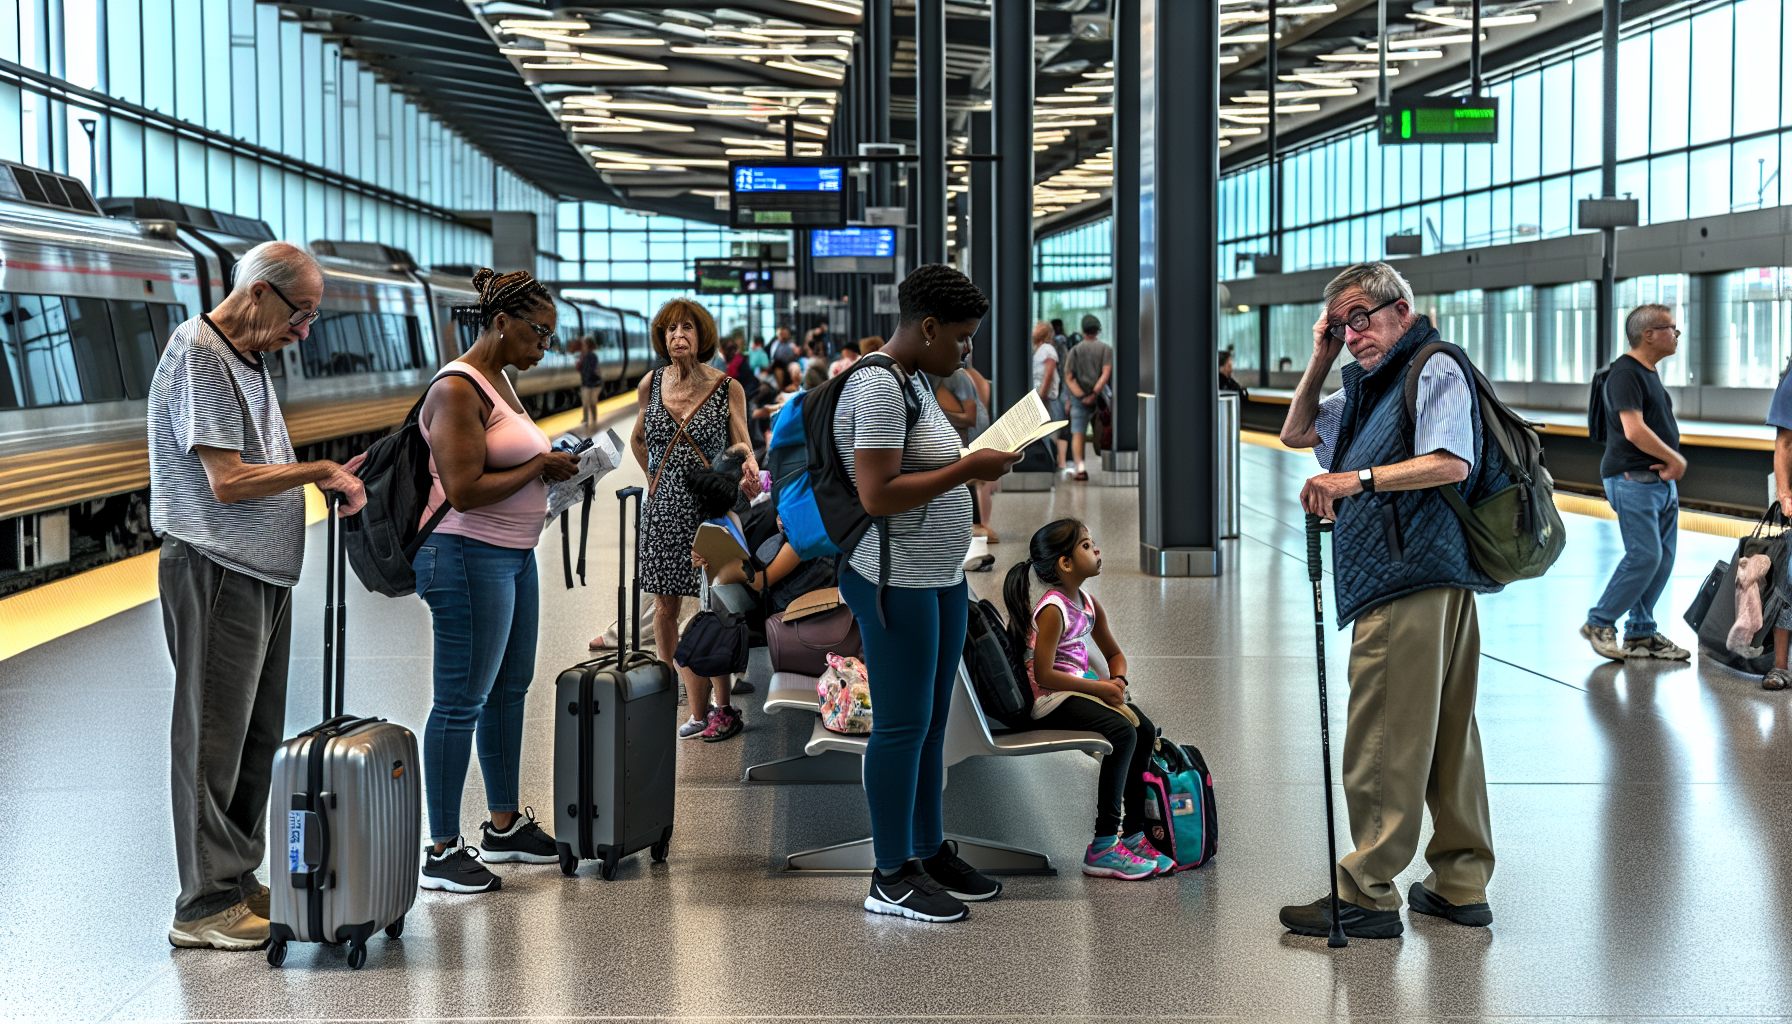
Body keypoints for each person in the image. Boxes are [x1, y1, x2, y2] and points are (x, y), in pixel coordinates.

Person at [150, 240, 369, 949]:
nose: (304, 332)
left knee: (254, 738)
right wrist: (317, 471)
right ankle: (203, 903)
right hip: (216, 572)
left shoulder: (248, 356)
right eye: (300, 314)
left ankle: (238, 879)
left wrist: (318, 475)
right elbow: (229, 480)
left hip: (261, 575)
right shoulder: (200, 353)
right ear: (258, 293)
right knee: (213, 737)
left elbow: (258, 465)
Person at [1277, 261, 1503, 940]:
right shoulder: (1370, 389)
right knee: (1446, 737)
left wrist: (1354, 482)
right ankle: (1461, 884)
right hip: (1430, 578)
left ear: (1401, 309)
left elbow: (1449, 462)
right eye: (1341, 326)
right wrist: (1318, 356)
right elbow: (1296, 431)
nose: (1353, 335)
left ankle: (1368, 893)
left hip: (1407, 583)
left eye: (1361, 318)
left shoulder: (1430, 368)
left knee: (1382, 737)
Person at [835, 263, 1019, 922]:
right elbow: (876, 493)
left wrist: (975, 456)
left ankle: (924, 849)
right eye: (963, 338)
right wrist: (971, 466)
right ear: (930, 327)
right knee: (902, 726)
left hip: (936, 578)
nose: (967, 351)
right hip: (894, 580)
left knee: (931, 725)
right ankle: (889, 874)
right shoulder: (880, 387)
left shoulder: (914, 383)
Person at [412, 268, 581, 894]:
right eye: (539, 333)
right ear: (502, 323)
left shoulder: (501, 383)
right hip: (464, 557)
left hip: (512, 555)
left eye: (550, 338)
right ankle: (440, 849)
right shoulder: (458, 389)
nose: (544, 348)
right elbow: (462, 489)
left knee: (510, 687)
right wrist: (540, 463)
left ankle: (504, 825)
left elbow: (511, 461)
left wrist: (556, 467)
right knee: (460, 701)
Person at [1003, 519, 1172, 879]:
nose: (1096, 550)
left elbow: (1114, 654)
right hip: (1048, 699)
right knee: (1122, 733)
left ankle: (1136, 833)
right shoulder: (1053, 609)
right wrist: (1099, 688)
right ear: (1064, 564)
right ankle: (1104, 844)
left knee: (1143, 729)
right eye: (1086, 545)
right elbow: (1045, 675)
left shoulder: (1088, 603)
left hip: (1076, 687)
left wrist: (1119, 680)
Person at [630, 298, 760, 739]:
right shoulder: (652, 383)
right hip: (664, 508)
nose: (676, 336)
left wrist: (750, 469)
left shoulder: (728, 387)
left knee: (715, 604)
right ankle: (669, 690)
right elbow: (638, 438)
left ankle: (720, 707)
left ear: (702, 336)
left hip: (709, 509)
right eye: (669, 329)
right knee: (665, 606)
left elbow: (741, 443)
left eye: (686, 328)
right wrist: (654, 479)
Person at [1580, 304, 1691, 662]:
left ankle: (1641, 633)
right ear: (1649, 334)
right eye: (1671, 328)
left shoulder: (1648, 372)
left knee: (1662, 559)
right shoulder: (1624, 374)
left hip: (1657, 483)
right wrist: (1675, 458)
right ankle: (1599, 621)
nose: (1676, 334)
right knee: (1645, 555)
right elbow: (1634, 429)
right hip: (1632, 479)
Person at [677, 454, 755, 742]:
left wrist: (704, 558)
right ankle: (719, 709)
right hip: (727, 608)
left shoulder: (710, 528)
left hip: (721, 610)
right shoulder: (731, 518)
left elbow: (724, 562)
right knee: (716, 663)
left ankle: (716, 713)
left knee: (688, 657)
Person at [934, 340, 997, 543]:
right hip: (973, 437)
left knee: (973, 483)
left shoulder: (958, 377)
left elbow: (971, 417)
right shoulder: (972, 376)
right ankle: (981, 526)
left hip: (970, 438)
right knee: (976, 483)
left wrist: (935, 413)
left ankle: (980, 527)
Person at [1062, 314, 1113, 481]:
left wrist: (1081, 396)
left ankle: (1081, 468)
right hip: (1100, 398)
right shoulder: (1106, 349)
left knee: (1078, 431)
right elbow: (1106, 373)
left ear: (1083, 330)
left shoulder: (1075, 350)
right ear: (1098, 330)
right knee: (1102, 428)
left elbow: (1068, 377)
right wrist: (1094, 393)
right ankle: (1106, 461)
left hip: (1079, 398)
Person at [1030, 321, 1069, 475]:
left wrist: (1042, 394)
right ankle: (1048, 466)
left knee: (1048, 434)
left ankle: (1050, 467)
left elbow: (1049, 373)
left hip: (1046, 399)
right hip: (1042, 397)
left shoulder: (1047, 349)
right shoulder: (1041, 350)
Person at [578, 335, 603, 427]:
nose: (583, 346)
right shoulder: (584, 356)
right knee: (585, 403)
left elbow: (591, 370)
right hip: (586, 383)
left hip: (593, 384)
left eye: (584, 344)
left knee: (592, 403)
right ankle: (586, 420)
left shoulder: (592, 356)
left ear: (588, 345)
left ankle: (593, 420)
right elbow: (580, 368)